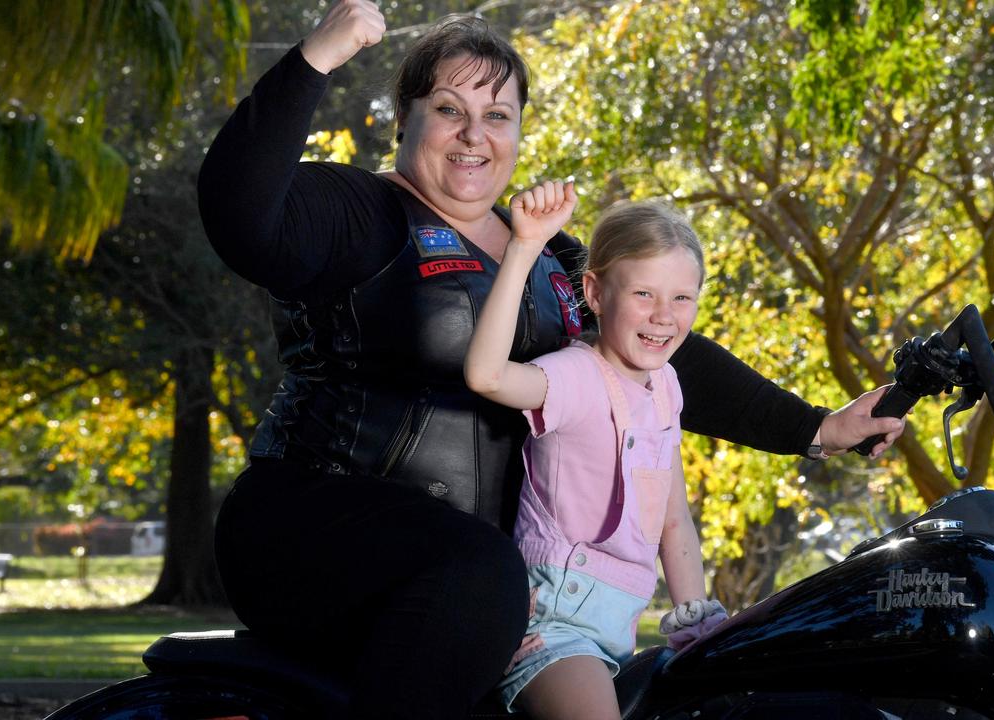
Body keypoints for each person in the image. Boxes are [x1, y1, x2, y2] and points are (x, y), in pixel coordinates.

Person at [198, 2, 905, 718]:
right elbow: (239, 216)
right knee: (480, 570)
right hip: (312, 528)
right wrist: (318, 56)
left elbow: (657, 353)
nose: (475, 134)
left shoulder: (554, 258)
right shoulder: (360, 210)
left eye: (499, 115)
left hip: (479, 582)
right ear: (403, 119)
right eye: (449, 108)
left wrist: (818, 429)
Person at [464, 189, 727, 718]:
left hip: (619, 625)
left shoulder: (666, 387)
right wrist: (524, 248)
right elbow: (486, 376)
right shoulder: (576, 375)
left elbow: (673, 521)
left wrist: (695, 617)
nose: (664, 316)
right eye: (644, 294)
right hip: (555, 625)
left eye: (683, 298)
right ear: (596, 292)